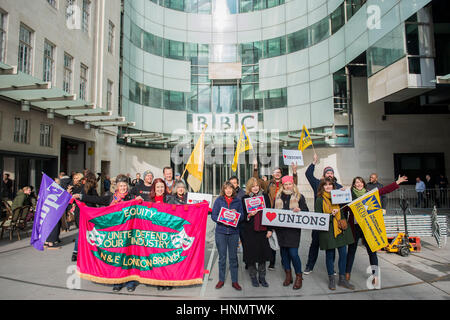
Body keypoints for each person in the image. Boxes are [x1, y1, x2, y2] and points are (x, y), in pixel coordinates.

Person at [73, 174, 138, 293]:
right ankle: (117, 281)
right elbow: (96, 200)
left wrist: (141, 201)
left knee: (129, 257)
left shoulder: (132, 198)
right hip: (114, 234)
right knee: (116, 258)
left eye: (125, 186)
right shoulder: (110, 198)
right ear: (117, 187)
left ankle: (131, 282)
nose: (123, 188)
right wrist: (80, 196)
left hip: (129, 234)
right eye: (121, 186)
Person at [345, 175, 408, 285]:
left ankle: (375, 276)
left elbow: (384, 190)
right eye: (356, 182)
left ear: (363, 184)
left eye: (360, 182)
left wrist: (397, 182)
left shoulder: (369, 193)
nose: (358, 184)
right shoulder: (349, 195)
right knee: (351, 252)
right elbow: (343, 207)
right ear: (354, 184)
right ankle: (347, 273)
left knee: (372, 252)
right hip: (355, 227)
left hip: (368, 228)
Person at [253, 160, 298, 270]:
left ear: (281, 174)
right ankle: (272, 262)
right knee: (272, 236)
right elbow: (256, 181)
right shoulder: (268, 183)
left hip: (284, 212)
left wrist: (295, 171)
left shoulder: (285, 183)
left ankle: (284, 261)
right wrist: (255, 168)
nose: (277, 174)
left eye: (278, 172)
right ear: (272, 174)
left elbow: (294, 183)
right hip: (272, 213)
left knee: (283, 238)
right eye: (275, 172)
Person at [303, 153, 343, 275]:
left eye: (331, 173)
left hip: (333, 221)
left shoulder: (338, 187)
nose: (330, 175)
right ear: (324, 175)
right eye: (327, 173)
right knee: (314, 243)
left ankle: (331, 269)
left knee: (332, 245)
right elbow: (308, 174)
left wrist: (344, 192)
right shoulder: (318, 185)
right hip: (319, 220)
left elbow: (344, 203)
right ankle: (309, 266)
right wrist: (314, 162)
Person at [315, 178, 354, 291]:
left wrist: (345, 192)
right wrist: (329, 214)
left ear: (333, 186)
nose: (328, 187)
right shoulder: (319, 200)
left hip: (340, 229)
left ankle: (342, 279)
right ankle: (331, 279)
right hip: (328, 230)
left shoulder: (338, 196)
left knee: (343, 254)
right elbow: (318, 216)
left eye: (330, 185)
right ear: (322, 187)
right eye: (325, 185)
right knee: (330, 255)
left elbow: (348, 203)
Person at [273, 175, 309, 290]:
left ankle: (299, 276)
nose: (288, 186)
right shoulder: (278, 196)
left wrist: (300, 210)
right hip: (281, 230)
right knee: (284, 255)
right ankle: (288, 275)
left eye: (289, 184)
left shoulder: (299, 196)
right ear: (282, 185)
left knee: (293, 253)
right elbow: (274, 213)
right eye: (285, 184)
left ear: (293, 184)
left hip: (293, 231)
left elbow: (306, 212)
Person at [211, 181, 244, 291]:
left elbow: (242, 217)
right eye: (226, 188)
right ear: (223, 190)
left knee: (233, 258)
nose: (228, 190)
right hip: (221, 232)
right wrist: (221, 219)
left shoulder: (237, 201)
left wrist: (236, 215)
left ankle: (235, 281)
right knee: (222, 257)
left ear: (233, 190)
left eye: (230, 188)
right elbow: (213, 215)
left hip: (233, 233)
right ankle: (221, 279)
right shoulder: (219, 200)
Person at [241, 177, 272, 288]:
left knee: (262, 256)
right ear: (249, 187)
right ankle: (253, 277)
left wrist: (269, 229)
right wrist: (249, 215)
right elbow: (243, 216)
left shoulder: (264, 197)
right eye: (253, 186)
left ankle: (262, 277)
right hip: (250, 231)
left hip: (262, 231)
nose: (255, 188)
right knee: (251, 256)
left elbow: (270, 214)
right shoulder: (244, 198)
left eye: (257, 186)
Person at [148, 177, 172, 290]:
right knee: (156, 258)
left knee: (167, 257)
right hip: (154, 233)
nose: (160, 189)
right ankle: (158, 280)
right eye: (158, 187)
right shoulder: (149, 200)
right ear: (154, 188)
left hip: (167, 233)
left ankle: (167, 281)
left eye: (162, 187)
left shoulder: (170, 199)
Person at [70, 171, 99, 262]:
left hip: (80, 212)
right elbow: (96, 200)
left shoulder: (82, 188)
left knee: (81, 233)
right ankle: (89, 252)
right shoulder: (91, 189)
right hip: (88, 213)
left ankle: (75, 253)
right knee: (89, 233)